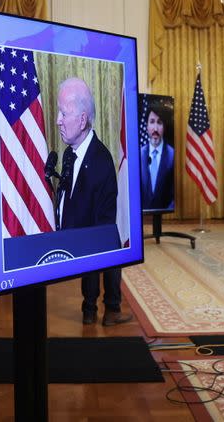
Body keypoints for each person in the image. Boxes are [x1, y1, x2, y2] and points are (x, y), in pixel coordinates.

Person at [56, 77, 131, 326]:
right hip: (76, 236)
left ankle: (111, 309)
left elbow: (103, 229)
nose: (57, 120)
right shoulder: (68, 153)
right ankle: (89, 310)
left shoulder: (102, 160)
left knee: (101, 241)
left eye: (63, 113)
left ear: (82, 119)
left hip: (99, 236)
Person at [140, 103, 175, 210]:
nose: (155, 128)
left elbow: (173, 196)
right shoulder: (139, 155)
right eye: (152, 122)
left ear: (164, 127)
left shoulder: (172, 155)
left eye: (159, 122)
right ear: (146, 126)